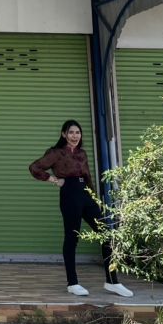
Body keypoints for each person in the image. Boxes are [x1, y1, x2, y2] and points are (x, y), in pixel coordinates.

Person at [29, 119, 133, 297]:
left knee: (106, 234)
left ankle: (112, 281)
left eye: (77, 132)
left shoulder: (82, 153)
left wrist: (94, 198)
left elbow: (88, 177)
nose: (75, 136)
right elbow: (34, 167)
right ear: (64, 134)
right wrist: (54, 180)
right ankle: (72, 283)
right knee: (72, 237)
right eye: (71, 132)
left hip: (86, 194)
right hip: (69, 194)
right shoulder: (56, 153)